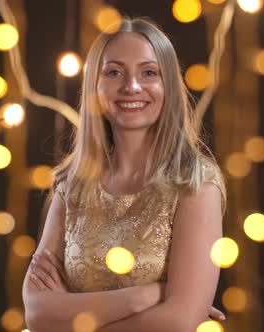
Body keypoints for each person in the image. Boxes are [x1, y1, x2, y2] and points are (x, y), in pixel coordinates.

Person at [22, 17, 227, 332]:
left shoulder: (196, 184)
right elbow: (36, 312)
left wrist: (70, 321)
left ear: (168, 85)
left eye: (148, 72)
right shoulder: (73, 185)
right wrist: (147, 296)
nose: (132, 86)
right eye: (114, 72)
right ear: (95, 85)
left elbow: (179, 322)